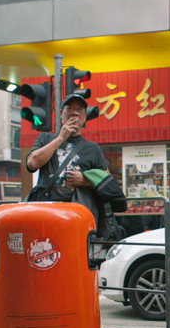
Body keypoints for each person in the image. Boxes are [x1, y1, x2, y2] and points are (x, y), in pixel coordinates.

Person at [26, 93, 111, 240]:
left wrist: (84, 180)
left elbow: (107, 185)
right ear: (61, 113)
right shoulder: (45, 138)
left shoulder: (92, 149)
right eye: (69, 109)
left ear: (85, 117)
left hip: (77, 216)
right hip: (46, 213)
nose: (74, 113)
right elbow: (32, 163)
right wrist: (61, 137)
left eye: (79, 110)